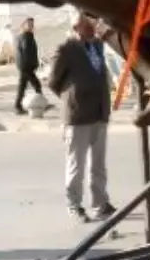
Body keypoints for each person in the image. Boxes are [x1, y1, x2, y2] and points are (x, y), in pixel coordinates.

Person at [48, 11, 118, 223]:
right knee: (76, 165)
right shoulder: (66, 49)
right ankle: (74, 205)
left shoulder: (96, 45)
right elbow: (53, 81)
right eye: (88, 26)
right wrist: (73, 95)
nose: (93, 29)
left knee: (98, 164)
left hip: (99, 112)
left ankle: (100, 203)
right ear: (77, 27)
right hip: (78, 116)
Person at [13, 17, 42, 115]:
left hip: (23, 66)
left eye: (32, 25)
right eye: (29, 24)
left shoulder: (20, 36)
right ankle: (40, 103)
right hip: (26, 66)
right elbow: (27, 52)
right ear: (23, 25)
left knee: (23, 87)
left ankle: (18, 106)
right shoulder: (26, 36)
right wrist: (33, 64)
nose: (31, 26)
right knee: (36, 85)